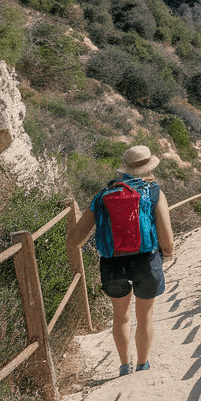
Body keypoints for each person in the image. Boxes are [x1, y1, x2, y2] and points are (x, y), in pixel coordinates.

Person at [67, 144, 174, 376]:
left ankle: (124, 366)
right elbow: (167, 242)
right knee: (144, 315)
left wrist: (75, 269)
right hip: (145, 260)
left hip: (112, 263)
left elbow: (75, 238)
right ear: (149, 166)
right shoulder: (153, 191)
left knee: (120, 316)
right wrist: (167, 254)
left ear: (125, 168)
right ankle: (142, 365)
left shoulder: (103, 195)